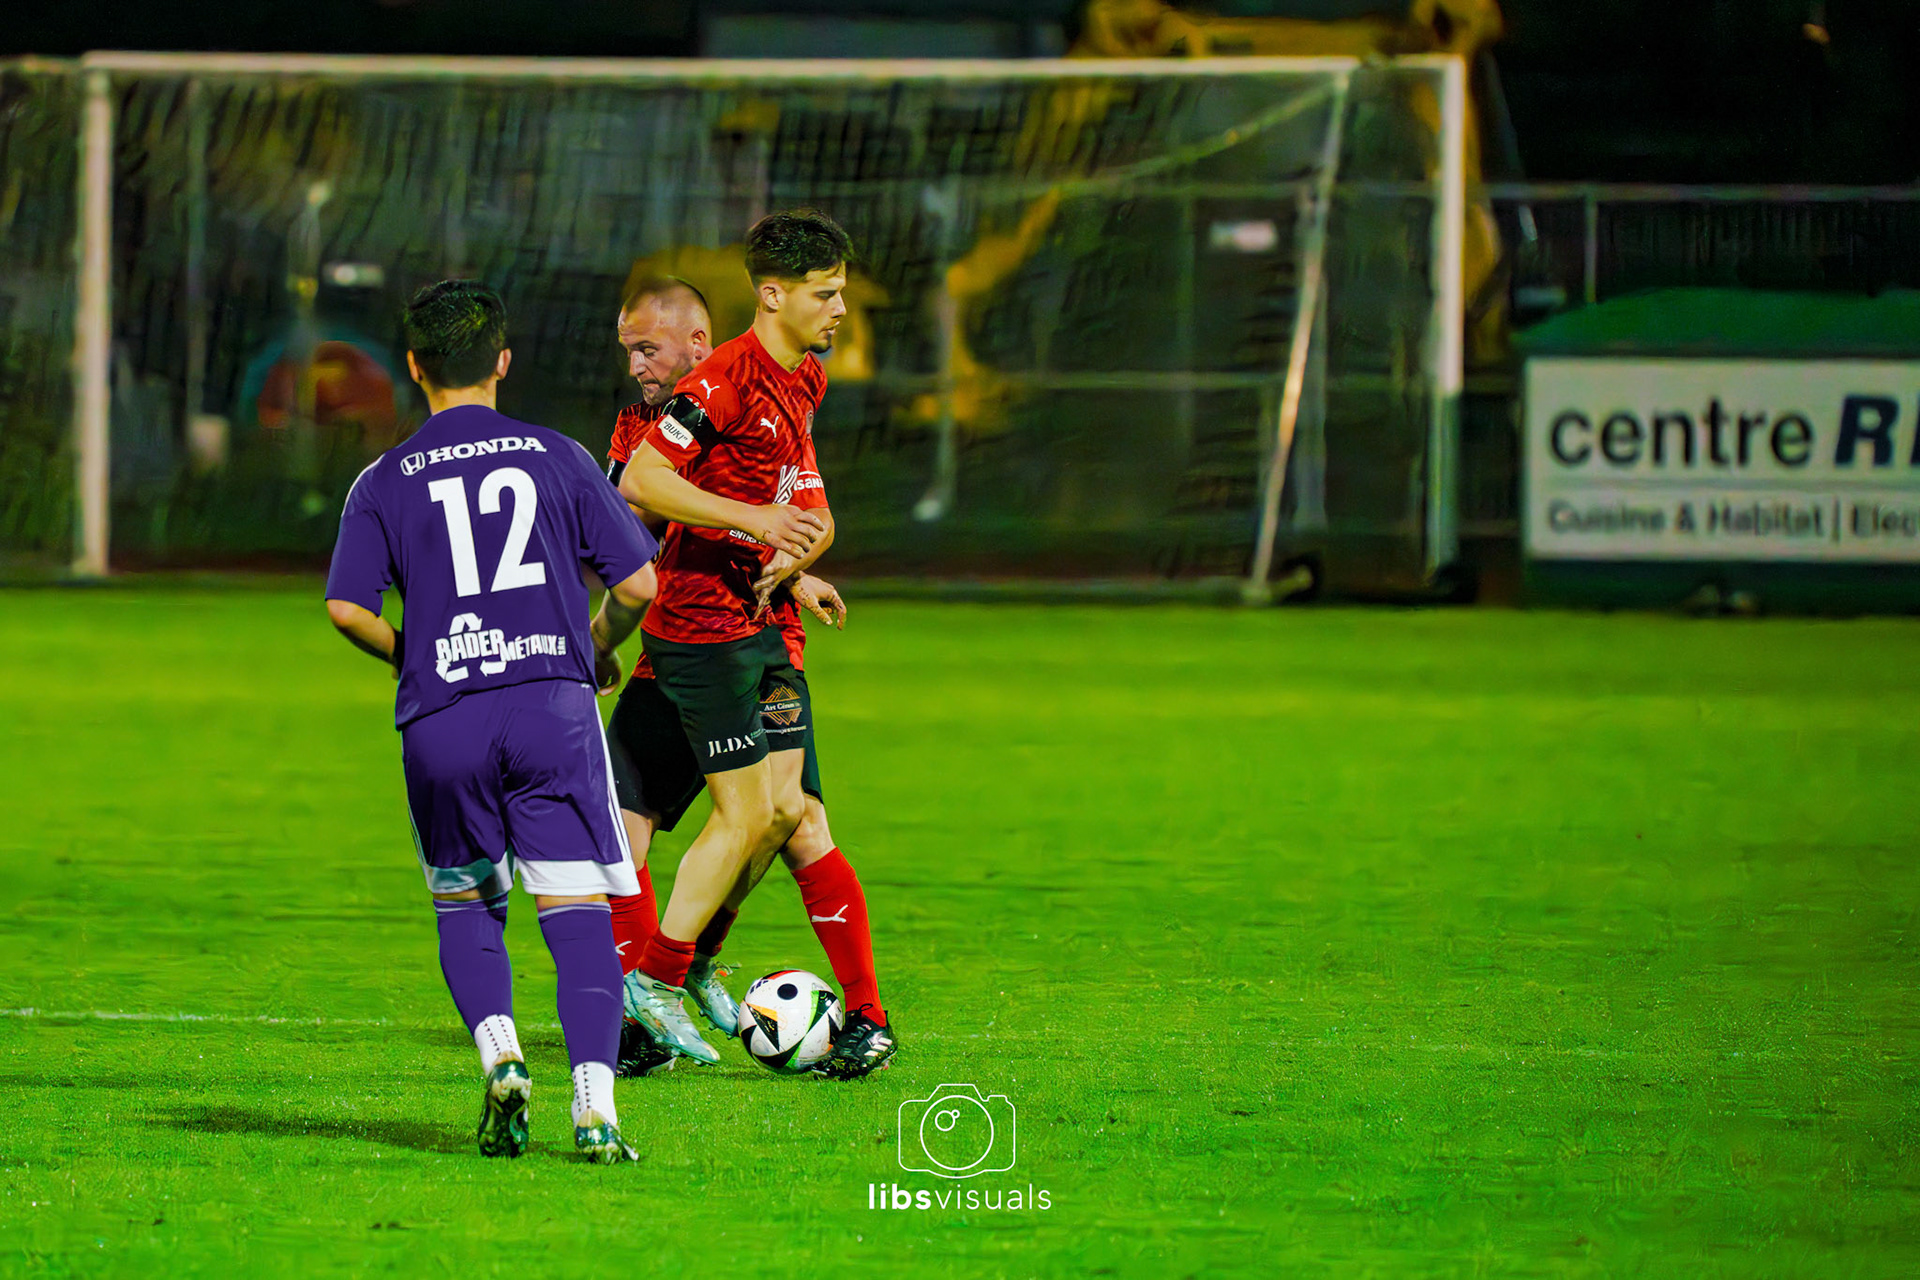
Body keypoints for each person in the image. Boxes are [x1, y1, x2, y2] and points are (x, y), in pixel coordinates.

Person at [323, 280, 659, 1162]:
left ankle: (502, 1056)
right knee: (576, 909)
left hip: (444, 718)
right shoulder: (558, 455)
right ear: (503, 362)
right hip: (550, 705)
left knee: (467, 899)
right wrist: (592, 646)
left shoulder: (383, 477)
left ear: (412, 369)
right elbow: (638, 585)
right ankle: (596, 1109)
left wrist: (418, 651)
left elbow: (346, 610)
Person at [603, 270, 895, 1078]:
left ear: (697, 343)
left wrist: (795, 563)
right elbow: (649, 535)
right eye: (628, 350)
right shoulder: (640, 431)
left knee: (783, 819)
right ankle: (647, 1009)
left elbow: (791, 506)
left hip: (743, 637)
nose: (636, 366)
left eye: (647, 348)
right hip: (682, 646)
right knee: (624, 827)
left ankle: (693, 974)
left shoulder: (769, 386)